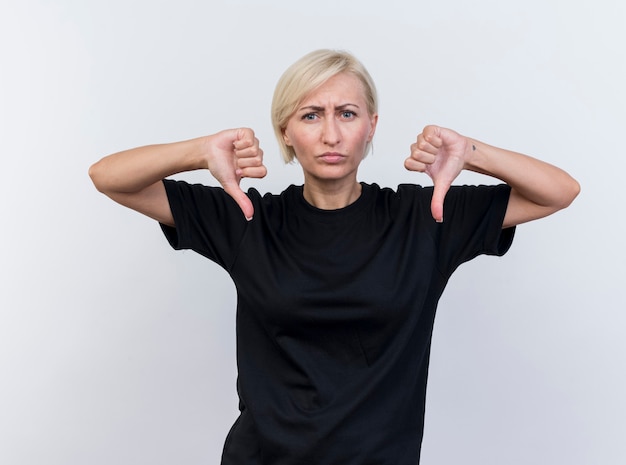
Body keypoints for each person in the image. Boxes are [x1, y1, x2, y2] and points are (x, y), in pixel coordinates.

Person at [89, 49, 580, 464]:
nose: (330, 135)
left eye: (347, 114)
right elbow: (108, 176)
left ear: (371, 127)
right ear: (285, 132)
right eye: (310, 115)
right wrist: (197, 152)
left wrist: (471, 152)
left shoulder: (424, 217)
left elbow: (558, 192)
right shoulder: (246, 219)